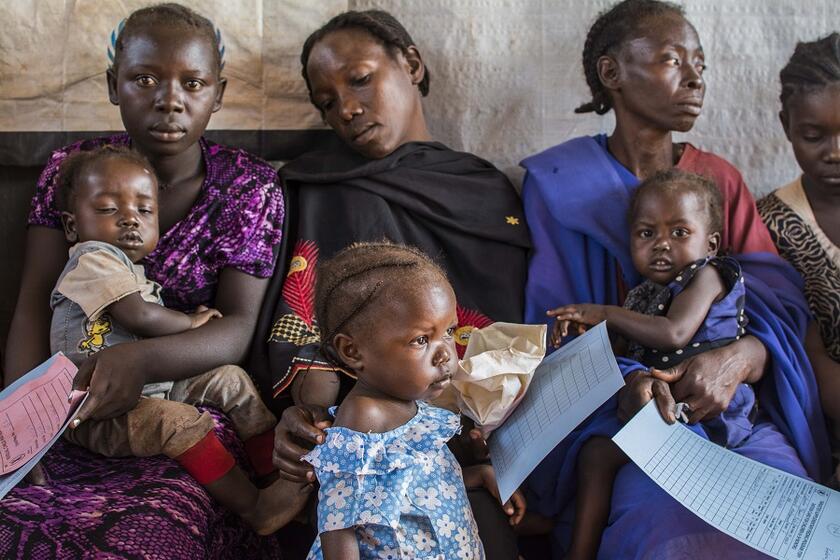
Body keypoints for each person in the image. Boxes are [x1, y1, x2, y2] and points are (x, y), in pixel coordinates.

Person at [520, 0, 830, 557]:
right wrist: (633, 382)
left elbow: (778, 308)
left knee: (792, 522)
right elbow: (558, 331)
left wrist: (737, 360)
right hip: (634, 416)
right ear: (611, 73)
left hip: (736, 410)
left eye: (700, 65)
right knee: (667, 533)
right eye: (672, 60)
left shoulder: (718, 181)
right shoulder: (558, 183)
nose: (694, 78)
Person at [2, 4, 287, 556]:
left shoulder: (246, 189)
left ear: (219, 93)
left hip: (185, 398)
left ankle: (268, 485)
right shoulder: (72, 172)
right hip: (69, 401)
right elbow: (33, 306)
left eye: (194, 83)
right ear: (114, 85)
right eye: (145, 79)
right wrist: (23, 431)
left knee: (157, 529)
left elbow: (237, 329)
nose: (170, 99)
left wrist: (138, 360)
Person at [258, 10, 530, 559]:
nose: (348, 109)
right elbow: (299, 326)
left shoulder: (480, 191)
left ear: (410, 62)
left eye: (359, 78)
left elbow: (511, 331)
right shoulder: (314, 188)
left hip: (471, 441)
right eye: (326, 101)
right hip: (357, 435)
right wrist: (303, 419)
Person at [51, 145, 309, 535]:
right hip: (96, 410)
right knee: (178, 423)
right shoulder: (93, 258)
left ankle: (270, 474)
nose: (129, 221)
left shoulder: (128, 268)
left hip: (147, 386)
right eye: (108, 209)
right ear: (72, 225)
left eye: (144, 210)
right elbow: (140, 316)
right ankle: (254, 507)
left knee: (229, 380)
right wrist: (191, 322)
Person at [548, 170, 749, 559]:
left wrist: (602, 312)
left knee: (600, 454)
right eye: (646, 234)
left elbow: (673, 333)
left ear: (710, 243)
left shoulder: (707, 275)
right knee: (591, 452)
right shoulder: (642, 295)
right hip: (657, 403)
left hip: (704, 408)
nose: (661, 245)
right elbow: (626, 350)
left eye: (679, 233)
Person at [302, 242, 525, 560]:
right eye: (421, 339)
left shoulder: (413, 403)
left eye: (448, 330)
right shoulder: (364, 418)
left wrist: (478, 474)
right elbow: (338, 525)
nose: (446, 352)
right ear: (353, 351)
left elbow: (414, 480)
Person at [758, 32, 840, 485]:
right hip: (823, 425)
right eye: (814, 136)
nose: (835, 152)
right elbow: (804, 350)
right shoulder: (770, 224)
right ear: (787, 125)